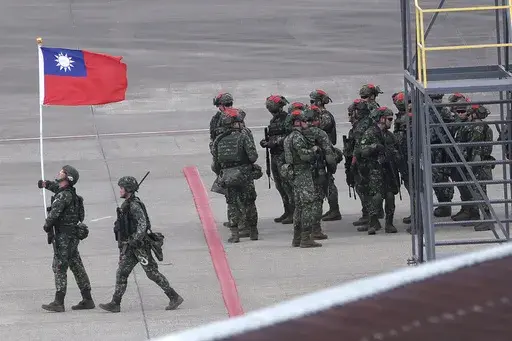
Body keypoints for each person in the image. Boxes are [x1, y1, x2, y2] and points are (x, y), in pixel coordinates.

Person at [99, 176, 183, 312]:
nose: (120, 190)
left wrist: (135, 239)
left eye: (122, 188)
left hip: (139, 247)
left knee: (152, 273)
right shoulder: (127, 204)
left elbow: (142, 224)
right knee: (122, 273)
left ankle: (174, 296)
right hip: (131, 246)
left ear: (128, 189)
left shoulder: (134, 205)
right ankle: (115, 303)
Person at [39, 165, 94, 312]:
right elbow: (57, 189)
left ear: (67, 178)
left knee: (59, 266)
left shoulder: (63, 196)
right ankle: (87, 299)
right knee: (76, 265)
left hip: (64, 237)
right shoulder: (70, 194)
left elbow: (54, 214)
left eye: (62, 172)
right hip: (72, 236)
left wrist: (47, 225)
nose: (59, 173)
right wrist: (46, 184)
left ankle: (59, 302)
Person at [212, 110, 260, 242]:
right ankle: (253, 231)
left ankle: (235, 234)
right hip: (244, 175)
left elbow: (216, 164)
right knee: (249, 202)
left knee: (232, 204)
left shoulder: (218, 140)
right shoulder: (243, 137)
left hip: (228, 176)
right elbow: (253, 156)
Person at [261, 95, 294, 224]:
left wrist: (273, 142)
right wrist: (267, 142)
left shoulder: (286, 119)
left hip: (283, 155)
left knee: (287, 185)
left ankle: (293, 211)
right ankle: (287, 210)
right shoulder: (274, 120)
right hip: (275, 155)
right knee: (280, 185)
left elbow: (289, 136)